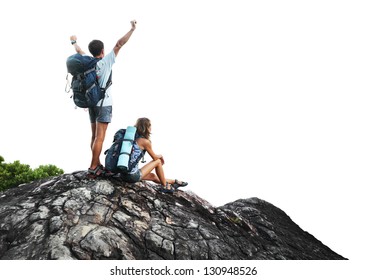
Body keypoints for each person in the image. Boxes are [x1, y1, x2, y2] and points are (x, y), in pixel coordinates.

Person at [70, 20, 137, 178]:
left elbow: (79, 52)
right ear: (102, 50)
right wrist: (132, 29)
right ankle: (94, 166)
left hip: (91, 103)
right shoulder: (105, 62)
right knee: (100, 137)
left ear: (91, 51)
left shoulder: (88, 63)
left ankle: (96, 162)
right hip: (104, 104)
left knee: (94, 136)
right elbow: (120, 43)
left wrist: (73, 42)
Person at [119, 117, 188, 193]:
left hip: (122, 173)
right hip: (131, 176)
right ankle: (165, 186)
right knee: (158, 161)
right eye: (150, 126)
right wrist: (161, 156)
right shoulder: (145, 142)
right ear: (147, 127)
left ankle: (174, 182)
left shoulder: (129, 138)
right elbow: (155, 158)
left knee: (153, 176)